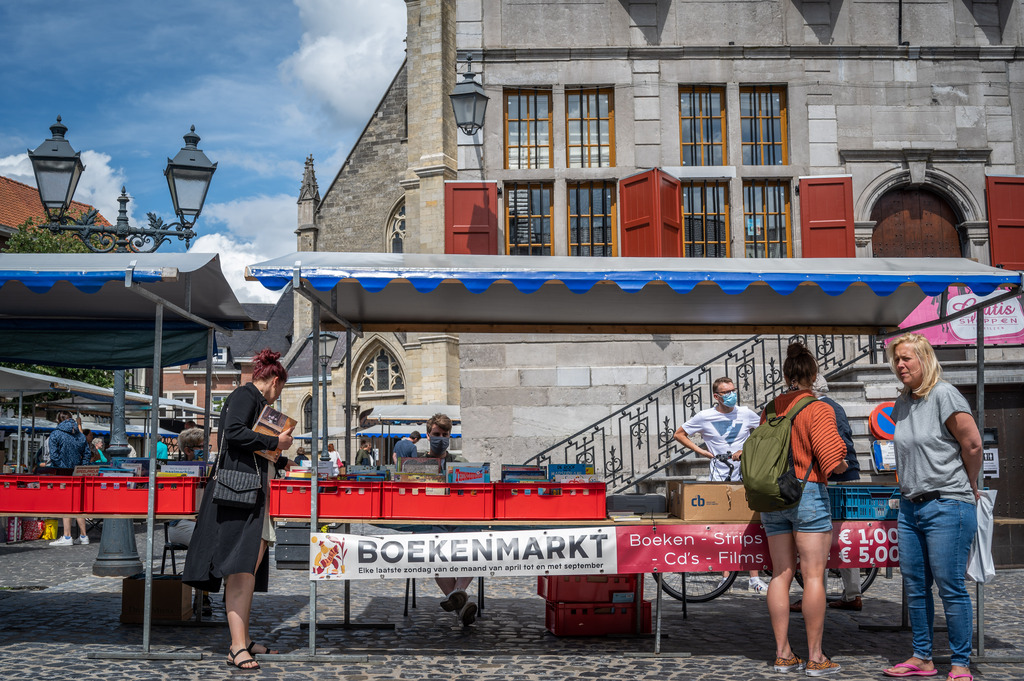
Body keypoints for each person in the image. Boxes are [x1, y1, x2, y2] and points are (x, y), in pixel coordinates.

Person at [182, 348, 296, 670]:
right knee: (239, 572)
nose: (277, 398)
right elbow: (232, 434)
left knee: (246, 571)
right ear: (274, 381)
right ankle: (236, 646)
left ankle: (242, 640)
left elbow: (249, 447)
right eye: (280, 390)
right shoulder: (245, 396)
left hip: (250, 494)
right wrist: (276, 443)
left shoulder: (252, 400)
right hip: (239, 495)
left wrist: (283, 459)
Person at [881, 333, 982, 681]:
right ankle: (922, 657)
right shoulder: (903, 402)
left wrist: (969, 483)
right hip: (910, 507)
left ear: (925, 358)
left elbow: (972, 444)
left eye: (907, 358)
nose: (901, 365)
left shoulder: (945, 394)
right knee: (915, 585)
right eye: (897, 360)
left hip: (948, 503)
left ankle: (959, 663)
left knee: (950, 585)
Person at [757, 343, 848, 677]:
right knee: (812, 576)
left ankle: (783, 655)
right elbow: (833, 460)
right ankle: (815, 657)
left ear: (785, 375)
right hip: (806, 493)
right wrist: (841, 464)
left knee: (780, 575)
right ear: (814, 374)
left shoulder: (770, 409)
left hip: (772, 498)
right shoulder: (817, 408)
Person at [673, 376, 767, 593]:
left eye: (733, 390)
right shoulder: (705, 416)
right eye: (726, 392)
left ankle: (754, 577)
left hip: (746, 477)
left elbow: (764, 432)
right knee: (724, 530)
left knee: (749, 526)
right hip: (719, 480)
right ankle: (726, 576)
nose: (731, 394)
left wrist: (747, 449)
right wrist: (701, 451)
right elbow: (679, 433)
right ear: (716, 396)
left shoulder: (745, 413)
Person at [790, 374, 863, 613]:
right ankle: (852, 593)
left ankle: (816, 596)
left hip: (831, 478)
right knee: (841, 537)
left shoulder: (820, 407)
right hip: (842, 476)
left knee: (819, 538)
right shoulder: (834, 406)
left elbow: (832, 448)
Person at [422, 412, 477, 625]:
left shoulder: (460, 462)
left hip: (459, 519)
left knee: (476, 546)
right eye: (436, 434)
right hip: (430, 521)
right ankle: (461, 601)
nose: (441, 438)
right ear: (428, 435)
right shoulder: (417, 463)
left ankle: (457, 596)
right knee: (436, 554)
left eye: (445, 434)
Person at [47, 411, 91, 547]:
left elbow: (53, 456)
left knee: (66, 503)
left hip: (63, 473)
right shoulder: (80, 435)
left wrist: (63, 468)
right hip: (78, 472)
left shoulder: (56, 434)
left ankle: (67, 536)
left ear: (58, 420)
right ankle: (84, 535)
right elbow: (87, 454)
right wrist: (82, 469)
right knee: (78, 504)